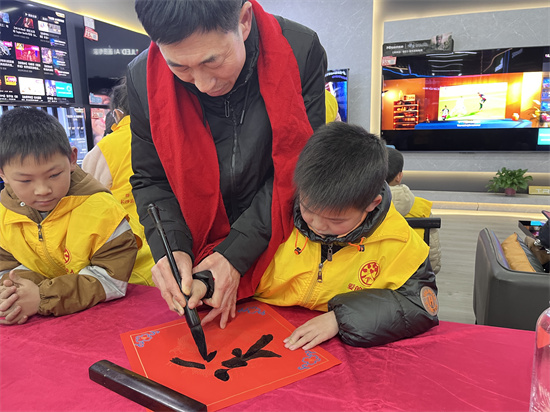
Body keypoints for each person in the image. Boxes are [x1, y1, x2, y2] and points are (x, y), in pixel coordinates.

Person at [128, 0, 327, 328]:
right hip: (195, 247)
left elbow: (301, 166)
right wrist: (171, 247)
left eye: (212, 61)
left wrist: (236, 253)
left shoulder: (300, 49)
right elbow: (151, 179)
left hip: (281, 237)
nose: (203, 84)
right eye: (180, 67)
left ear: (244, 20)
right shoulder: (142, 78)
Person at [253, 122, 439, 349]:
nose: (317, 225)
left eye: (336, 220)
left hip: (333, 343)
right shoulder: (274, 213)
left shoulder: (399, 242)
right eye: (307, 209)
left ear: (372, 204)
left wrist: (340, 318)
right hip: (257, 322)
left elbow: (420, 305)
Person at [0, 107, 138, 325]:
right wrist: (14, 295)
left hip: (104, 316)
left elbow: (113, 280)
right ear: (2, 173)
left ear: (72, 159)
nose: (42, 190)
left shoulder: (103, 211)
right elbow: (6, 268)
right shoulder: (3, 215)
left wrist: (42, 296)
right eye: (25, 181)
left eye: (54, 175)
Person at [82, 78, 155, 286]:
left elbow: (86, 209)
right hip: (181, 255)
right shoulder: (172, 136)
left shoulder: (103, 150)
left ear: (117, 114)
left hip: (130, 267)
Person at [386, 147, 441, 274]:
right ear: (399, 176)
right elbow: (433, 262)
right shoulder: (422, 208)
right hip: (413, 276)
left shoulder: (358, 207)